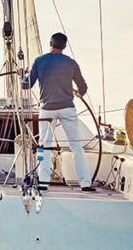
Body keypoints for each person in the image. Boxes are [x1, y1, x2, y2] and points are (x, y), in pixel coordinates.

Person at [28, 32, 94, 191]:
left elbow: (27, 84)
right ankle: (85, 184)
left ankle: (43, 183)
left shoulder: (39, 61)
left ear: (50, 43)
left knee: (44, 145)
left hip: (47, 110)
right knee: (76, 147)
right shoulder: (71, 63)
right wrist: (77, 92)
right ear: (64, 46)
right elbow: (83, 88)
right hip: (67, 109)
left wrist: (22, 76)